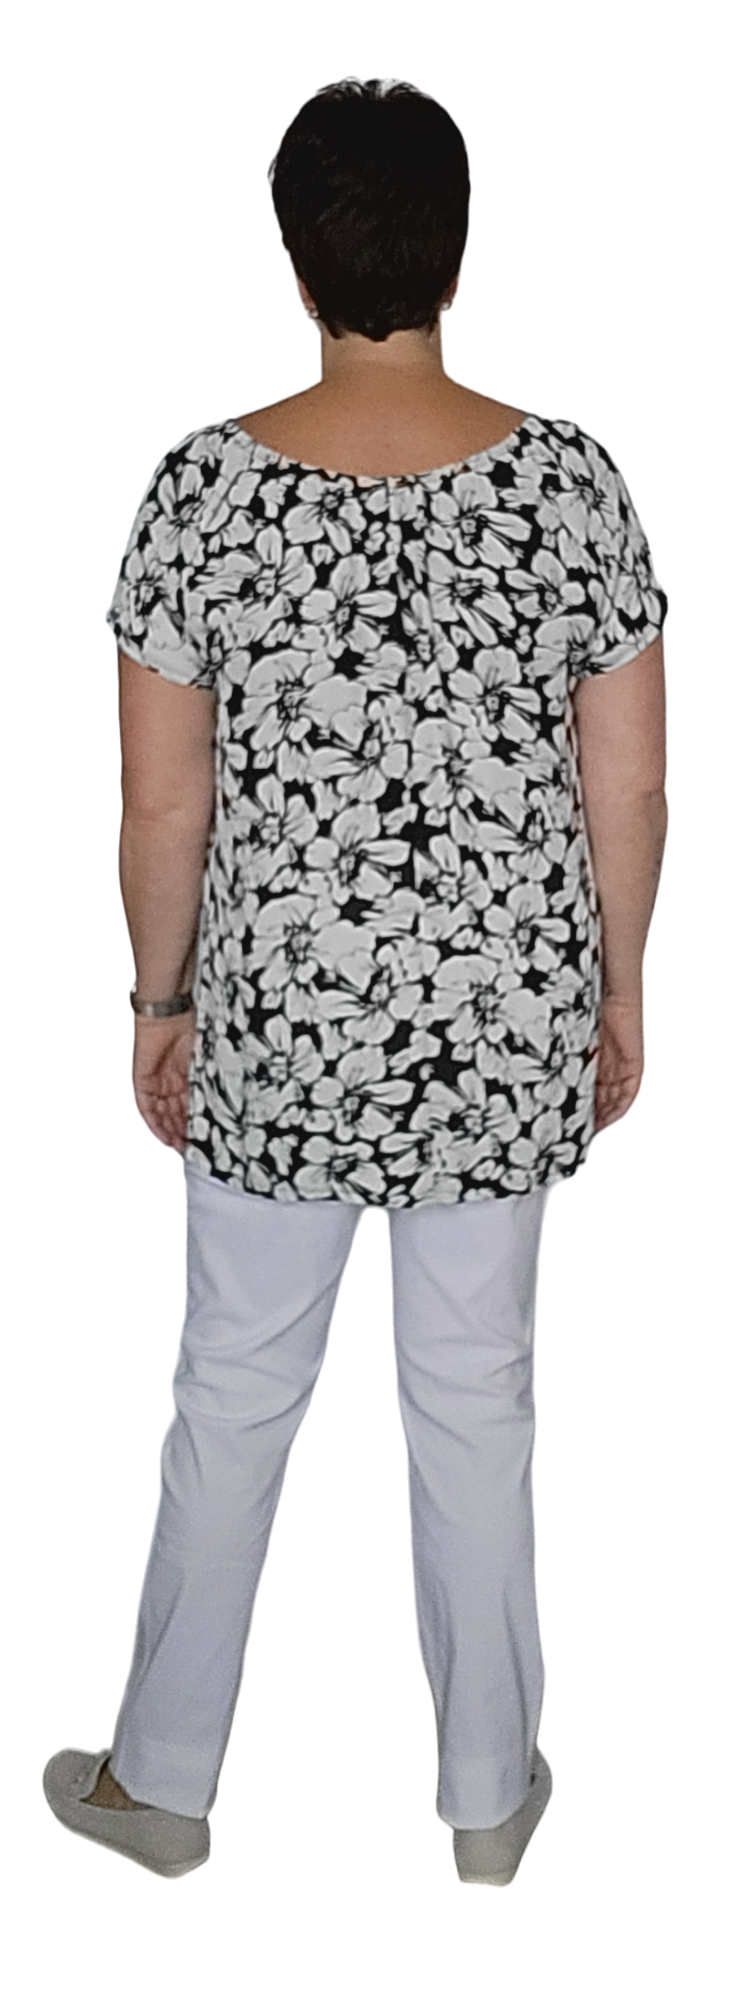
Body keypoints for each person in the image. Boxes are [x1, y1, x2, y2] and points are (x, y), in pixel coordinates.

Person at [45, 77, 668, 1885]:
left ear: (297, 267)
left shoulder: (202, 488)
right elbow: (627, 786)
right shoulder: (568, 479)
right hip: (500, 1021)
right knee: (475, 1401)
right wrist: (619, 991)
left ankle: (164, 1786)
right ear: (457, 257)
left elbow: (162, 802)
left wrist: (157, 1001)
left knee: (232, 1390)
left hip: (280, 1023)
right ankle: (484, 1803)